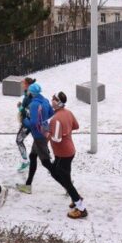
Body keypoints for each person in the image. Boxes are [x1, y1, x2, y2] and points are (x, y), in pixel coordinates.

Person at [48, 91, 87, 219]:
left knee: (62, 177)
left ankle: (80, 207)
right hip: (68, 151)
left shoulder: (55, 119)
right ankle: (75, 196)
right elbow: (76, 126)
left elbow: (56, 139)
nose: (51, 100)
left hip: (63, 153)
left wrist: (46, 133)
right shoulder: (68, 113)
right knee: (62, 175)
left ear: (58, 102)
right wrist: (67, 130)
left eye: (53, 99)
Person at [16, 83, 56, 195]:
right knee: (32, 156)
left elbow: (32, 124)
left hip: (39, 136)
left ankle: (67, 183)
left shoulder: (34, 104)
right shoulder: (45, 101)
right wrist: (42, 122)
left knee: (47, 163)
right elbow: (51, 114)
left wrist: (24, 120)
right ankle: (28, 185)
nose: (27, 92)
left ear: (32, 93)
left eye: (28, 91)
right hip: (44, 132)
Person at [15, 77, 36, 172]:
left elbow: (25, 110)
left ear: (27, 85)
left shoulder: (27, 97)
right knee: (39, 141)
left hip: (27, 123)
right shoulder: (33, 94)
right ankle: (48, 158)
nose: (22, 84)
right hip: (34, 122)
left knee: (19, 140)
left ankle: (25, 160)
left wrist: (20, 106)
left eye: (23, 83)